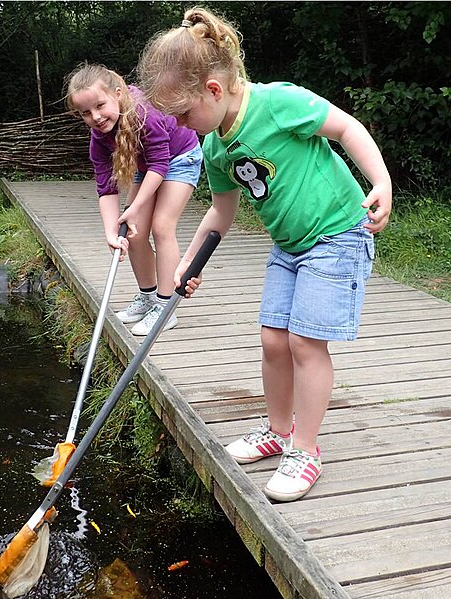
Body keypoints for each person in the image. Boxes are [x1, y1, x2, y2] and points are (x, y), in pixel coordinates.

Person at [138, 7, 392, 501]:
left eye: (184, 115)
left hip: (338, 233)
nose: (181, 127)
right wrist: (188, 264)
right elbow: (219, 214)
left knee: (304, 343)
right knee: (273, 340)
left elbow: (347, 128)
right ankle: (278, 430)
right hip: (289, 246)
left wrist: (380, 180)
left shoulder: (278, 103)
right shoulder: (213, 148)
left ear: (213, 89)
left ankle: (306, 448)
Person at [64, 63, 202, 335]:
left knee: (162, 227)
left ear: (117, 93)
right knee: (134, 234)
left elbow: (161, 165)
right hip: (146, 167)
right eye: (86, 113)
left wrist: (133, 207)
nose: (96, 117)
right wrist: (111, 231)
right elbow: (106, 187)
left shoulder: (144, 114)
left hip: (180, 158)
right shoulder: (99, 137)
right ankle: (148, 297)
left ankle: (165, 308)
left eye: (100, 106)